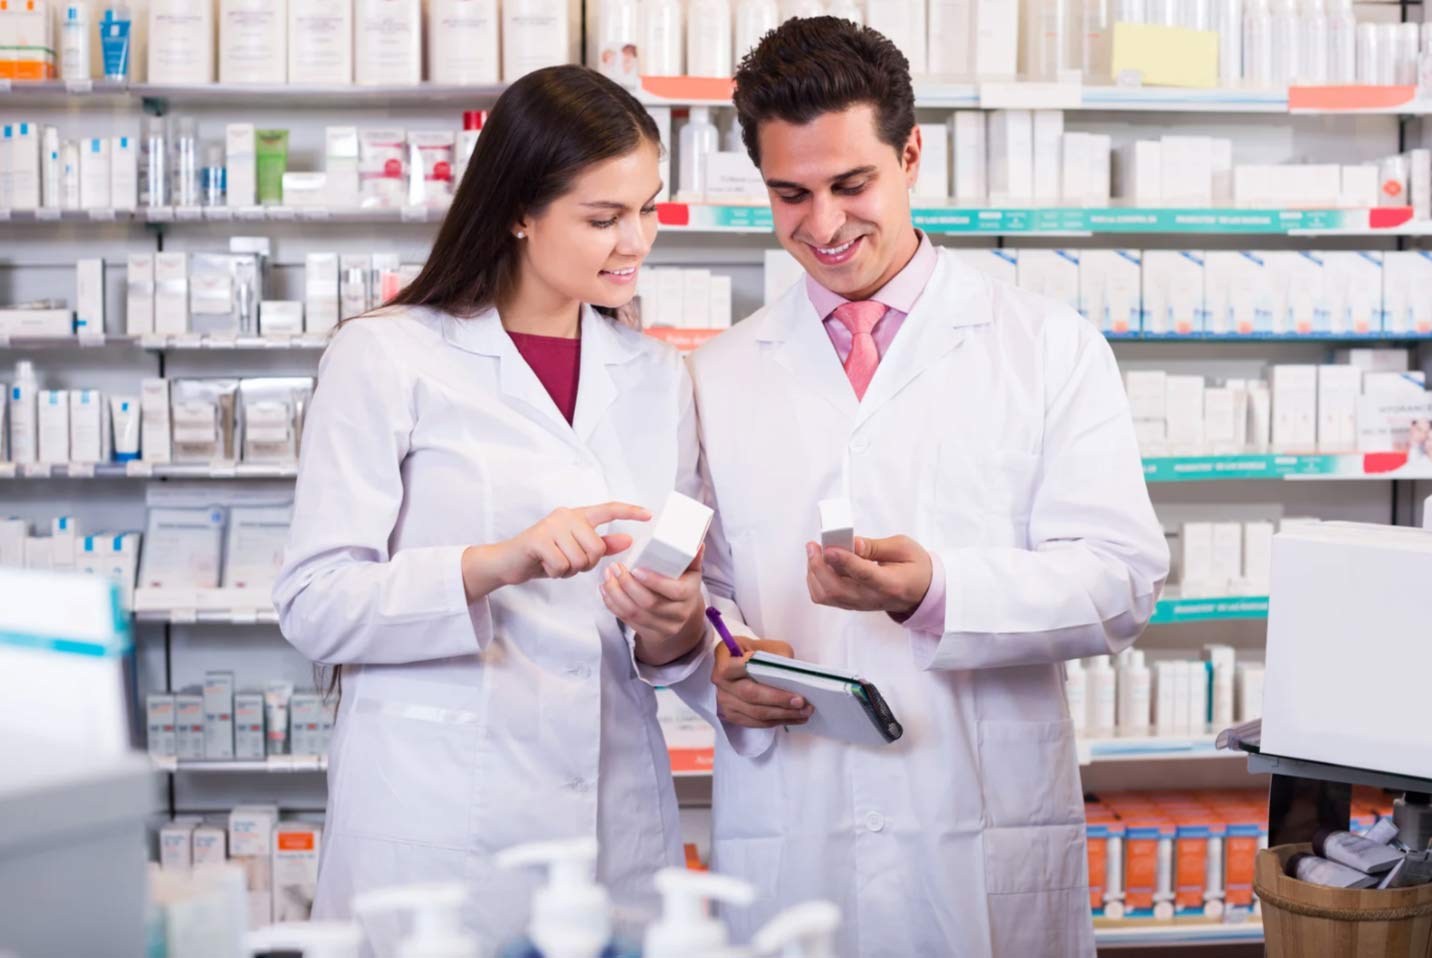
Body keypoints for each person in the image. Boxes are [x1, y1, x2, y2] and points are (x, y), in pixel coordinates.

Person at [673, 18, 1171, 958]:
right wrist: (716, 670)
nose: (822, 227)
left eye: (851, 185)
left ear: (910, 155)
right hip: (797, 817)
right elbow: (711, 591)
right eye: (791, 194)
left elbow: (1121, 579)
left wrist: (938, 591)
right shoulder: (721, 371)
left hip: (979, 811)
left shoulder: (1045, 348)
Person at [272, 65, 715, 952]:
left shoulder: (660, 377)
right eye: (603, 218)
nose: (637, 242)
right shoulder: (387, 357)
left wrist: (676, 627)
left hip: (608, 813)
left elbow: (668, 647)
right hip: (438, 823)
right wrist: (497, 562)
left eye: (648, 209)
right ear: (519, 209)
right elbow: (314, 605)